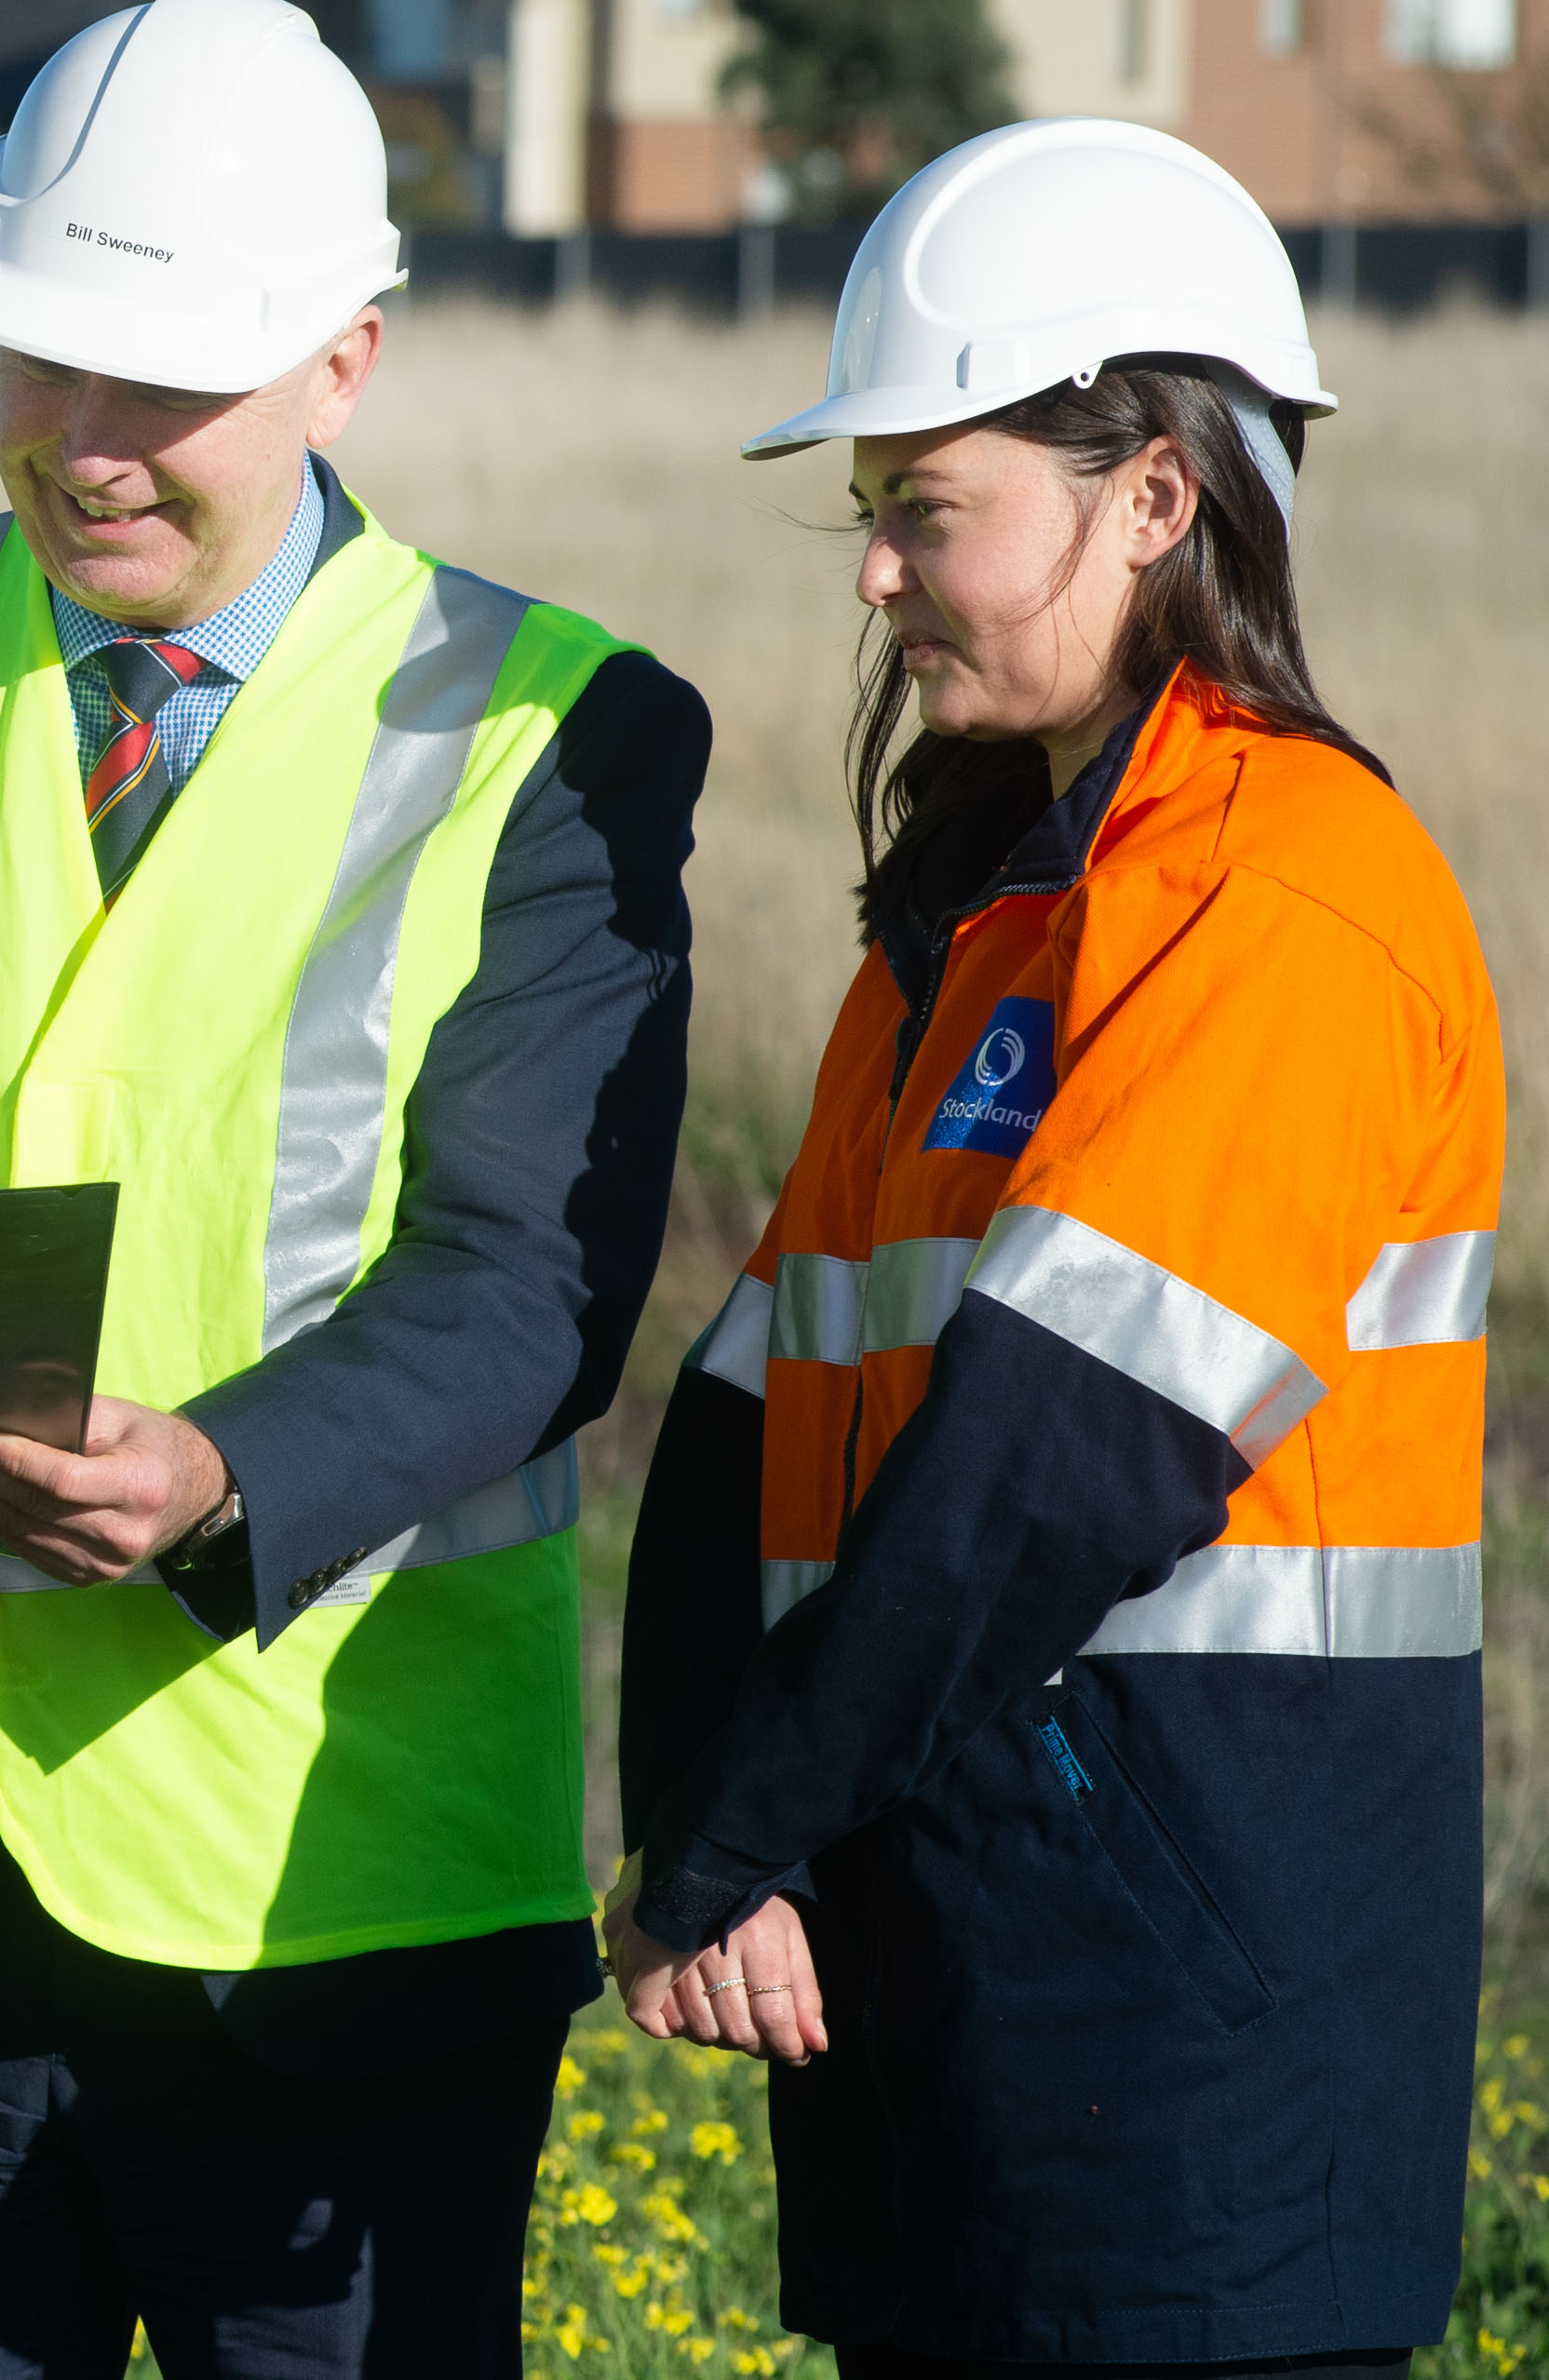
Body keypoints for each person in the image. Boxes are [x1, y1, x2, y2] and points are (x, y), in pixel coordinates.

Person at [0, 0, 710, 2373]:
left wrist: (224, 1474)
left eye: (157, 382)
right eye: (35, 367)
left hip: (332, 1893)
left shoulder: (554, 733)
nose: (82, 444)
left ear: (346, 356)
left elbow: (524, 1283)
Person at [612, 118, 1495, 2376]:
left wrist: (737, 1839)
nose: (875, 579)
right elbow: (744, 1411)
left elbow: (1054, 1455)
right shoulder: (980, 919)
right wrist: (711, 1829)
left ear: (1156, 500)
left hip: (1198, 2072)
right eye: (870, 510)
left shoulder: (1278, 893)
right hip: (965, 2019)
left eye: (928, 506)